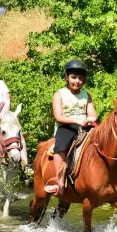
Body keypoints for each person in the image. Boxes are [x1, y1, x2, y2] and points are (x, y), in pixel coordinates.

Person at [44, 59, 98, 196]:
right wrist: (77, 120)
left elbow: (93, 114)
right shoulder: (59, 94)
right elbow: (58, 116)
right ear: (67, 77)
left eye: (80, 78)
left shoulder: (86, 95)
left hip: (85, 126)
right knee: (61, 146)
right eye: (73, 77)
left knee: (107, 141)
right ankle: (59, 181)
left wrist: (89, 120)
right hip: (66, 126)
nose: (77, 81)